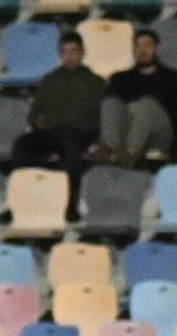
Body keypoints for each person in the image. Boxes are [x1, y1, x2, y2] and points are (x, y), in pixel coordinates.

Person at [12, 33, 107, 213]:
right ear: (60, 55)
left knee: (71, 148)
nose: (69, 56)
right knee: (22, 144)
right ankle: (18, 203)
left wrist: (95, 139)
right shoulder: (49, 80)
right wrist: (41, 122)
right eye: (65, 52)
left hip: (80, 133)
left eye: (74, 51)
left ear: (82, 53)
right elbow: (33, 115)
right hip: (50, 132)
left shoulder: (95, 82)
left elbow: (103, 118)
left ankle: (70, 205)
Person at [91, 28, 177, 168]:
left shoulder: (174, 78)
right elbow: (106, 114)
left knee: (147, 105)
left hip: (161, 136)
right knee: (110, 102)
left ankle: (124, 156)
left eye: (147, 45)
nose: (142, 50)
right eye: (138, 45)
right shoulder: (120, 78)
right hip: (124, 136)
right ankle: (114, 150)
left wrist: (143, 113)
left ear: (156, 48)